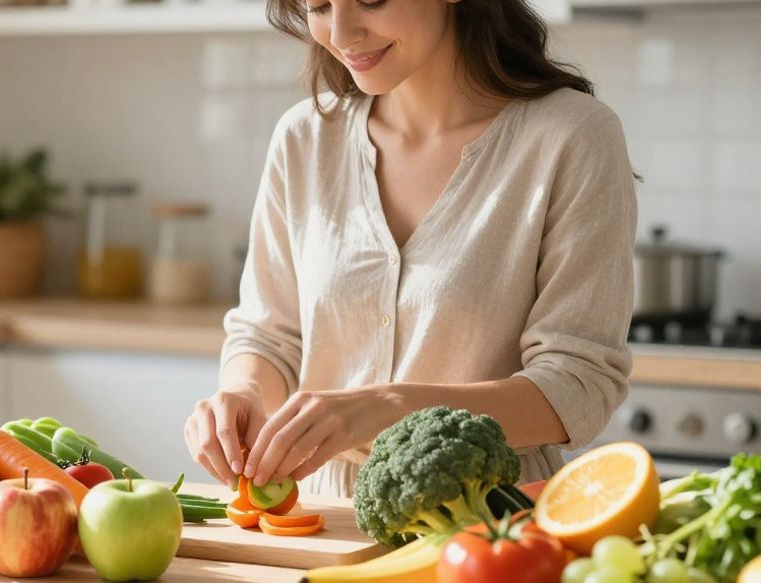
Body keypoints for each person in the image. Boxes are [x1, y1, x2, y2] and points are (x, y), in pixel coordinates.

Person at [184, 0, 637, 498]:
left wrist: (390, 407)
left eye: (371, 1)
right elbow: (269, 336)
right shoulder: (306, 136)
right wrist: (243, 395)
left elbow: (578, 385)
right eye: (317, 5)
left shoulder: (572, 136)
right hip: (321, 517)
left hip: (490, 524)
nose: (341, 33)